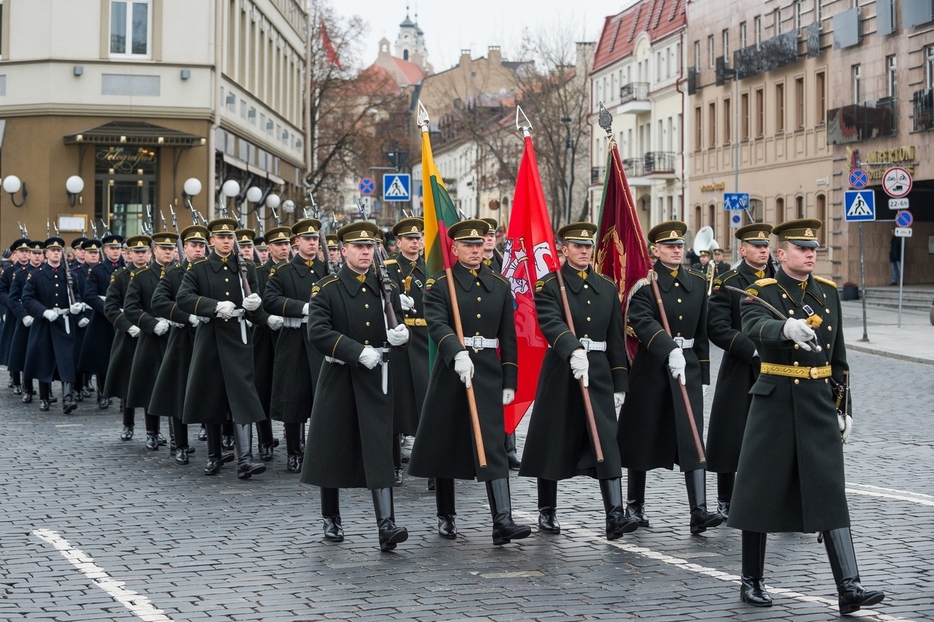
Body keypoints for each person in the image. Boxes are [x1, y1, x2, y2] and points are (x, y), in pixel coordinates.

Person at [730, 219, 885, 614]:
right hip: (776, 400)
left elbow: (839, 359)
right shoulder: (760, 290)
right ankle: (752, 580)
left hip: (817, 401)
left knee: (829, 490)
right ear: (781, 254)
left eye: (813, 247)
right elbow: (753, 326)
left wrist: (843, 409)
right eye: (801, 248)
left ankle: (850, 587)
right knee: (760, 491)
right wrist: (785, 327)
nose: (811, 253)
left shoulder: (828, 293)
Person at [408, 219, 531, 546]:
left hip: (488, 372)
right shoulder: (439, 284)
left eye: (480, 244)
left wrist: (510, 378)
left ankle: (502, 520)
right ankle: (446, 515)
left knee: (494, 443)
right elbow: (436, 324)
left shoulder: (501, 286)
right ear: (455, 248)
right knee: (447, 441)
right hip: (452, 371)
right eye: (468, 245)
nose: (476, 250)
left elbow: (508, 336)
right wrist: (455, 352)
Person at [519, 222, 640, 540]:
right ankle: (547, 509)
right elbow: (549, 321)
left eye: (588, 246)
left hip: (597, 371)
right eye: (577, 246)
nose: (584, 251)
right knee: (552, 440)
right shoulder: (549, 285)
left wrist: (620, 383)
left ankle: (614, 514)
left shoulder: (606, 287)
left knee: (606, 441)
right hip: (562, 370)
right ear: (564, 249)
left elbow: (615, 339)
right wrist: (572, 349)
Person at [299, 220, 410, 552]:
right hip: (340, 377)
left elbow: (396, 327)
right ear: (343, 250)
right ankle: (331, 517)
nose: (365, 252)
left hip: (376, 378)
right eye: (358, 247)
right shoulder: (327, 287)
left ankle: (386, 524)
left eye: (370, 247)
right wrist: (355, 351)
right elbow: (318, 332)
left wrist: (401, 336)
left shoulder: (385, 287)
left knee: (379, 448)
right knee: (332, 448)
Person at [617, 221, 722, 535]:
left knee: (691, 437)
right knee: (642, 433)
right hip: (652, 368)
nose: (677, 250)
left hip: (686, 368)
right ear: (655, 251)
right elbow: (642, 320)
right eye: (669, 246)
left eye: (680, 245)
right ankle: (635, 505)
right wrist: (666, 348)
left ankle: (698, 510)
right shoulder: (646, 285)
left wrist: (701, 371)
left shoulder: (697, 282)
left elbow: (701, 332)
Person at [175, 218, 269, 479]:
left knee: (244, 397)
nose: (227, 241)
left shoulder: (247, 267)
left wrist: (257, 310)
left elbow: (256, 306)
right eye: (221, 237)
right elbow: (183, 298)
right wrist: (214, 306)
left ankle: (246, 459)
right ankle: (214, 455)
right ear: (211, 241)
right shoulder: (199, 268)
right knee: (211, 397)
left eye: (230, 237)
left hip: (239, 339)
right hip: (212, 339)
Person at [705, 224, 775, 519]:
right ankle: (726, 499)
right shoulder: (728, 281)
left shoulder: (778, 280)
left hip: (777, 368)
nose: (763, 250)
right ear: (742, 250)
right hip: (741, 366)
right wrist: (752, 349)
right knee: (732, 433)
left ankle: (773, 495)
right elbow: (717, 326)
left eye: (766, 246)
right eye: (756, 246)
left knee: (774, 434)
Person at [263, 219, 327, 472]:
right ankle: (294, 451)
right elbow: (270, 300)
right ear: (296, 242)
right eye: (307, 239)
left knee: (323, 396)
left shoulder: (327, 270)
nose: (312, 243)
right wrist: (301, 308)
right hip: (294, 338)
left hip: (321, 339)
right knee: (294, 396)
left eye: (315, 239)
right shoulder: (283, 271)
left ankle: (320, 449)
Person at [149, 225, 210, 465]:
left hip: (207, 339)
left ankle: (218, 442)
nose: (198, 249)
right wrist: (187, 316)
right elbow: (158, 302)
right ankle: (181, 444)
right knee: (179, 394)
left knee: (210, 390)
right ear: (183, 249)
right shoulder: (174, 274)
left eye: (201, 245)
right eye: (193, 246)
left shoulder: (210, 272)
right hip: (183, 339)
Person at [123, 232, 179, 450]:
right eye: (163, 249)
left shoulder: (181, 274)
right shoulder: (141, 276)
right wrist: (150, 323)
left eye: (171, 249)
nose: (168, 252)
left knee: (177, 385)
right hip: (152, 337)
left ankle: (177, 437)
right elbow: (130, 308)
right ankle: (152, 432)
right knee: (151, 385)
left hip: (176, 336)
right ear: (154, 251)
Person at [385, 217, 428, 486]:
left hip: (427, 339)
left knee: (430, 405)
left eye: (418, 237)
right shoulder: (388, 268)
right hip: (399, 341)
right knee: (396, 406)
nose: (415, 242)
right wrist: (391, 300)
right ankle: (393, 465)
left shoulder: (432, 267)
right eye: (409, 238)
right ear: (398, 243)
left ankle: (434, 466)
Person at [21, 236, 83, 413]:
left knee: (67, 359)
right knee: (44, 359)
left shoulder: (70, 275)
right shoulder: (36, 275)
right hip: (45, 323)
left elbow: (75, 295)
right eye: (53, 250)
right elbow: (27, 299)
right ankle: (44, 397)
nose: (56, 253)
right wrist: (43, 311)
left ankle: (68, 397)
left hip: (64, 322)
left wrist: (76, 306)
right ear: (46, 253)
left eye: (59, 250)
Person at [104, 235, 152, 440]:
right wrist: (128, 326)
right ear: (129, 254)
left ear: (150, 253)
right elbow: (111, 307)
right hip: (129, 335)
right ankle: (128, 424)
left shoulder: (158, 274)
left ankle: (153, 430)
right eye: (137, 252)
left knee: (153, 382)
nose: (140, 256)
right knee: (128, 381)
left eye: (144, 252)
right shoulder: (121, 276)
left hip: (152, 333)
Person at [252, 226, 289, 462]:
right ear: (269, 249)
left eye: (286, 244)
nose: (284, 248)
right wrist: (266, 319)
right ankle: (265, 440)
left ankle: (295, 438)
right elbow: (250, 304)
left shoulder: (294, 271)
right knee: (263, 388)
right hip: (265, 337)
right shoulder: (257, 273)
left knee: (291, 387)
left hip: (290, 335)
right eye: (279, 245)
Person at [80, 233, 125, 409]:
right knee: (103, 359)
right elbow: (89, 295)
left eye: (118, 248)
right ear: (105, 250)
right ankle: (103, 393)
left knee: (123, 358)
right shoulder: (97, 270)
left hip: (123, 320)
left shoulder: (127, 268)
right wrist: (108, 307)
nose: (116, 251)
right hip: (103, 320)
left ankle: (123, 396)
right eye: (112, 248)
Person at [6, 240, 45, 404]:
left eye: (39, 254)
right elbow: (13, 299)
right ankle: (27, 388)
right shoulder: (20, 275)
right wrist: (23, 316)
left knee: (45, 356)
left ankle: (46, 391)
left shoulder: (46, 273)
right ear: (29, 255)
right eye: (34, 254)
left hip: (42, 319)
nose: (37, 257)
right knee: (25, 355)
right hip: (26, 320)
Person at [0, 238, 31, 393]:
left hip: (31, 312)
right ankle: (16, 379)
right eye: (22, 251)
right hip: (14, 313)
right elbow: (2, 292)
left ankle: (28, 382)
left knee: (29, 347)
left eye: (27, 251)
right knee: (15, 347)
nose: (25, 254)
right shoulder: (8, 271)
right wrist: (11, 304)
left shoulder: (35, 270)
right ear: (15, 254)